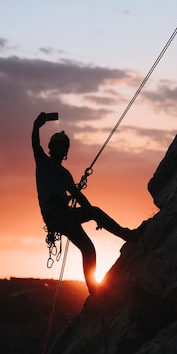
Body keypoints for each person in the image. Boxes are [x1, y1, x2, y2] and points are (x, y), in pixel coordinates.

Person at [32, 112, 135, 296]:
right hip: (57, 216)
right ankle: (126, 235)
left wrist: (93, 215)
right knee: (92, 222)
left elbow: (78, 196)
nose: (61, 148)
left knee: (89, 248)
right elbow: (34, 144)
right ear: (51, 148)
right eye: (58, 145)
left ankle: (93, 290)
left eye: (63, 146)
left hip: (63, 216)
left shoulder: (65, 174)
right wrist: (37, 125)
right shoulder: (43, 163)